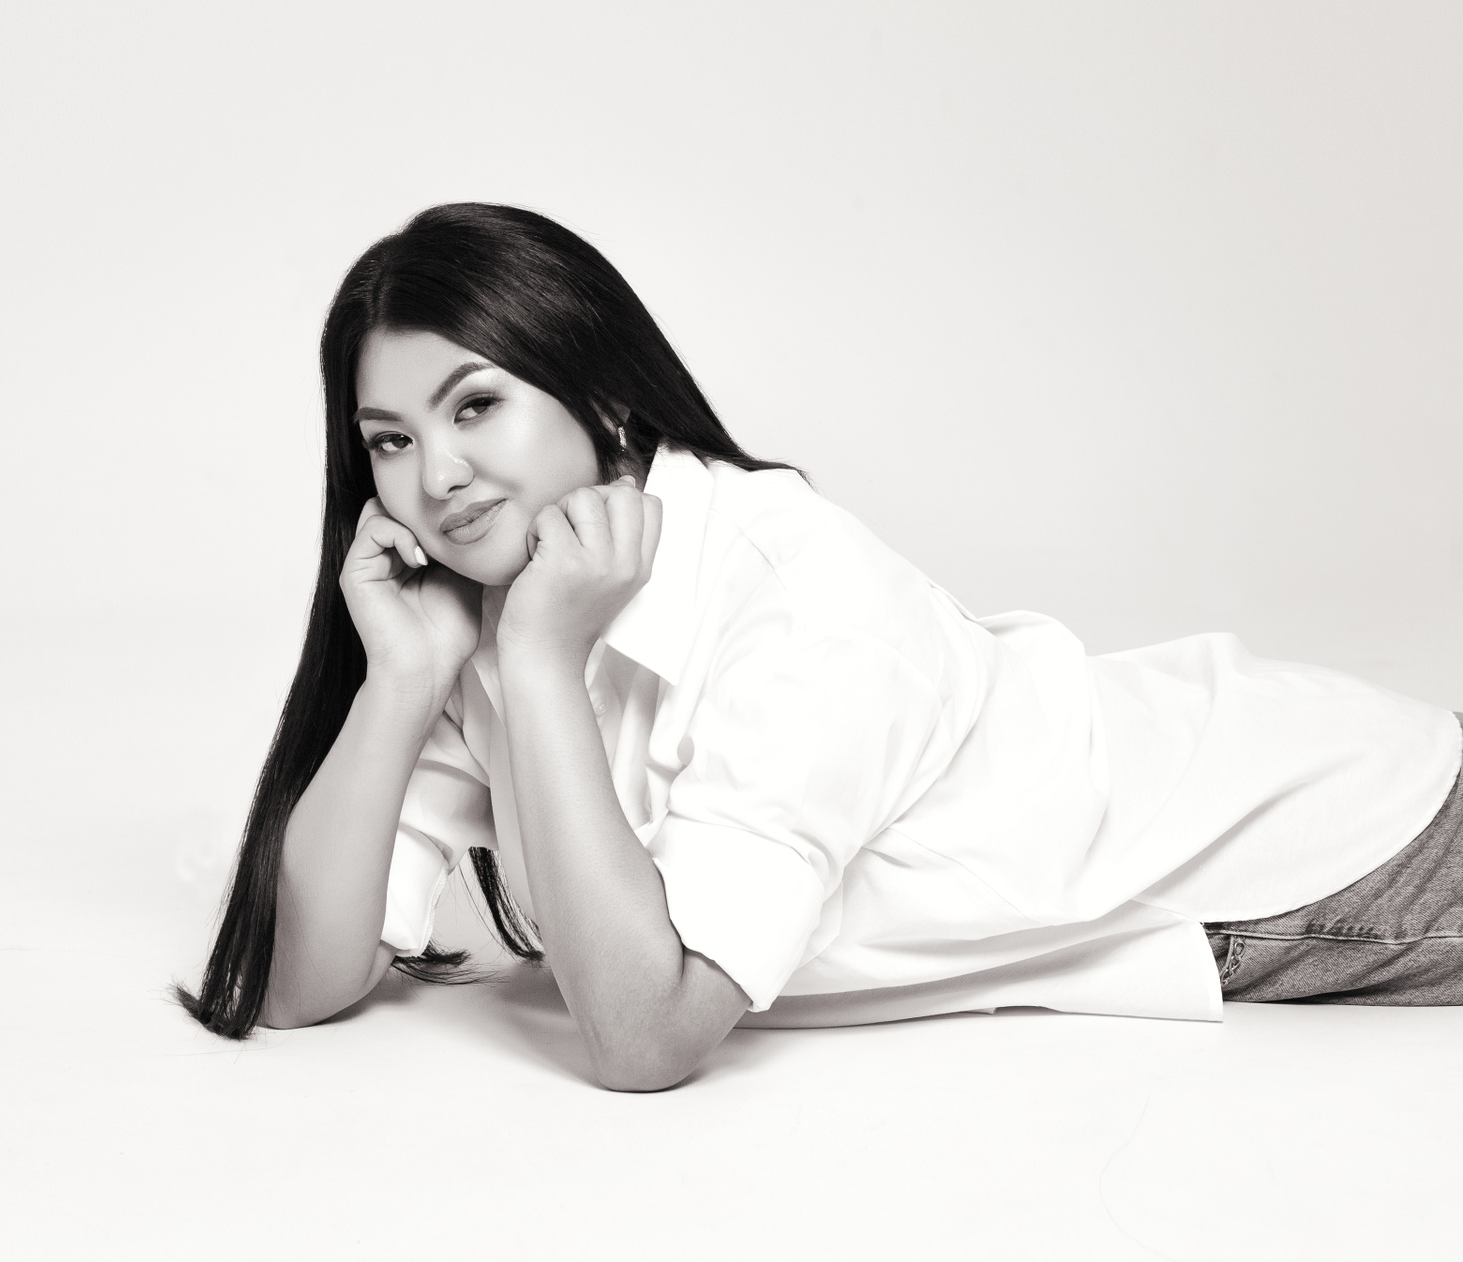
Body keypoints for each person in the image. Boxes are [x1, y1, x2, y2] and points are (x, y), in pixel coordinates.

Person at [176, 202, 1463, 1091]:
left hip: (1342, 851)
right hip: (1264, 854)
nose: (437, 474)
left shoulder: (797, 596)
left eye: (476, 405)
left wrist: (539, 667)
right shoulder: (493, 609)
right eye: (391, 440)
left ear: (603, 399)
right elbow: (296, 981)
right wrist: (402, 679)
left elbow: (645, 1036)